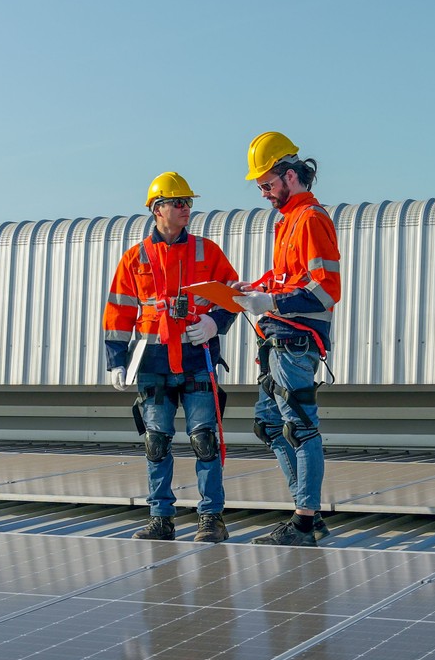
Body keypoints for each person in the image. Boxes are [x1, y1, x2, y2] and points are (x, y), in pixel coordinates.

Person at [101, 171, 242, 542]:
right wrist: (116, 359)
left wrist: (215, 321)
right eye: (179, 203)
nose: (186, 209)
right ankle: (160, 518)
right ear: (157, 209)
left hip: (197, 358)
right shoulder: (135, 258)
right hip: (152, 363)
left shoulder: (206, 251)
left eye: (189, 203)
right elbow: (118, 311)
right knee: (156, 441)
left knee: (205, 440)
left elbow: (233, 295)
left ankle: (211, 519)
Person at [237, 131, 340, 547]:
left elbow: (326, 288)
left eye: (266, 184)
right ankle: (307, 513)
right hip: (277, 338)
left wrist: (270, 300)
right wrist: (252, 290)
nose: (262, 193)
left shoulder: (311, 219)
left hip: (297, 341)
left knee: (300, 428)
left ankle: (304, 520)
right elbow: (284, 279)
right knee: (269, 424)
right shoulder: (288, 221)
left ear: (290, 175)